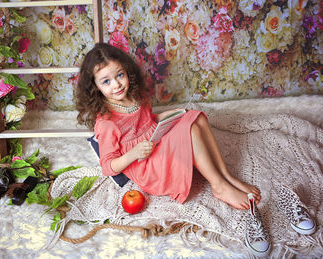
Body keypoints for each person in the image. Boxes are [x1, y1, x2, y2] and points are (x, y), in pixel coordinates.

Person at [76, 43, 261, 210]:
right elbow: (108, 167)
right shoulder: (107, 122)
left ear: (126, 71)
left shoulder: (134, 96)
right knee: (191, 130)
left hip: (154, 142)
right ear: (96, 87)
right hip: (145, 165)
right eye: (106, 81)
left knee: (196, 118)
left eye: (119, 75)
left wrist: (170, 115)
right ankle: (219, 186)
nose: (116, 84)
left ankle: (226, 176)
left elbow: (146, 122)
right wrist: (135, 153)